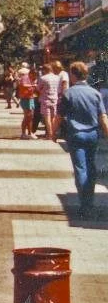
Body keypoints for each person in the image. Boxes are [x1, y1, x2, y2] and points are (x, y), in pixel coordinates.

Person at [56, 61, 108, 218]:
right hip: (92, 135)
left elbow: (59, 116)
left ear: (72, 75)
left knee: (80, 169)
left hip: (76, 135)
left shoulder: (69, 94)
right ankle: (90, 201)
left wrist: (52, 132)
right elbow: (103, 117)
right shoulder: (95, 93)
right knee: (91, 168)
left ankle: (84, 204)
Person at [37, 63, 61, 141]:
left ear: (44, 70)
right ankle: (54, 133)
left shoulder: (43, 78)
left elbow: (38, 89)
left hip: (45, 99)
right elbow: (59, 89)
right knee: (53, 117)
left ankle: (50, 134)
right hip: (55, 99)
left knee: (47, 118)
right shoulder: (57, 78)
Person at [15, 65, 37, 139]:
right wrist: (32, 85)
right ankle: (23, 133)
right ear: (31, 73)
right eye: (34, 75)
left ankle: (30, 133)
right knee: (27, 116)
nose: (35, 77)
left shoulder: (32, 79)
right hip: (25, 98)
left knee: (31, 116)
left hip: (31, 98)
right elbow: (23, 85)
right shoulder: (25, 77)